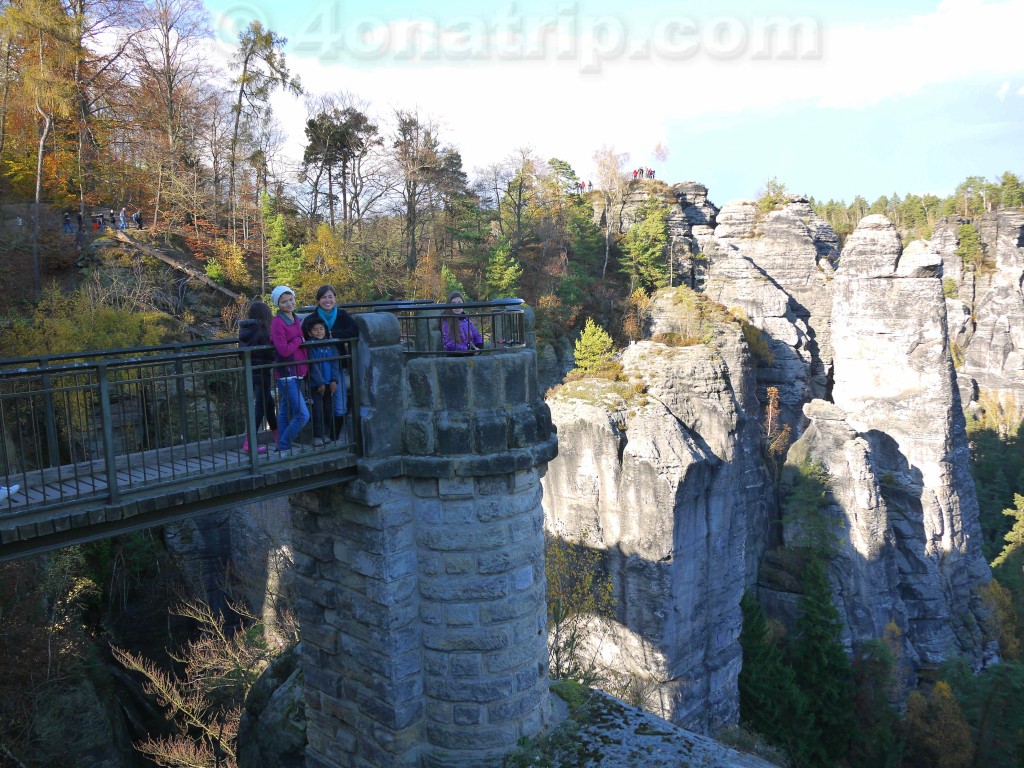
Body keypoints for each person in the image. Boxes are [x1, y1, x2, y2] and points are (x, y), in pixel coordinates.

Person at [301, 285, 358, 441]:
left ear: (335, 298)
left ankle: (333, 437)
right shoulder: (311, 319)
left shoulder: (342, 315)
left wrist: (334, 334)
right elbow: (304, 338)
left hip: (336, 365)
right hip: (317, 368)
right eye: (324, 297)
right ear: (318, 300)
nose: (328, 300)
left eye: (330, 297)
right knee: (319, 404)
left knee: (339, 404)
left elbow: (354, 331)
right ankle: (320, 436)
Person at [269, 286, 309, 455]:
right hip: (286, 373)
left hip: (298, 372)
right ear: (278, 304)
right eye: (284, 301)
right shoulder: (277, 322)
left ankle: (281, 446)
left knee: (285, 412)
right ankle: (284, 444)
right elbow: (283, 350)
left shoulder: (298, 319)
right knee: (303, 414)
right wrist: (299, 339)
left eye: (290, 299)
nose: (289, 303)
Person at [238, 300, 278, 454]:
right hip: (262, 370)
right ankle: (249, 443)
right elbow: (269, 351)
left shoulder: (245, 329)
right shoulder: (263, 329)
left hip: (250, 370)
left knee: (268, 404)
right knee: (261, 406)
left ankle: (277, 436)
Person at [304, 317, 344, 447]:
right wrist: (320, 382)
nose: (319, 332)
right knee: (317, 411)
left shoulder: (330, 344)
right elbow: (312, 366)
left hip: (329, 383)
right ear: (310, 333)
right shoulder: (310, 346)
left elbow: (335, 363)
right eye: (315, 330)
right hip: (316, 384)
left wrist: (334, 380)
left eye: (321, 329)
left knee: (328, 410)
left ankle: (326, 434)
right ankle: (317, 435)